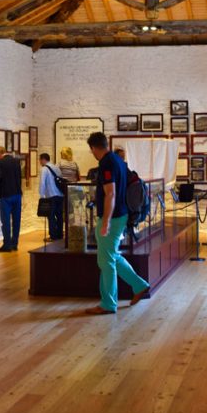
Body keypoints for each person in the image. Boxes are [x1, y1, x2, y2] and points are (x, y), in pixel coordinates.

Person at [84, 131, 150, 315]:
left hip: (112, 217)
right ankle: (139, 285)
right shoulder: (118, 160)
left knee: (106, 262)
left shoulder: (107, 163)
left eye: (92, 150)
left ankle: (108, 303)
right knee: (111, 256)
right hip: (120, 215)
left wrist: (105, 221)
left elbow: (110, 193)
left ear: (94, 148)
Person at [0, 145, 23, 252]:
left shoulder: (0, 162)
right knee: (16, 220)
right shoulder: (16, 161)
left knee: (6, 221)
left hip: (6, 196)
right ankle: (15, 244)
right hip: (17, 194)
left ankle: (7, 245)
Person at [38, 152, 65, 240]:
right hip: (60, 195)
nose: (39, 162)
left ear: (43, 159)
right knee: (59, 215)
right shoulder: (56, 167)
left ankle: (53, 235)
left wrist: (42, 196)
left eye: (40, 160)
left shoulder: (44, 169)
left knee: (51, 215)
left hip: (51, 195)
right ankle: (60, 234)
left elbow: (42, 183)